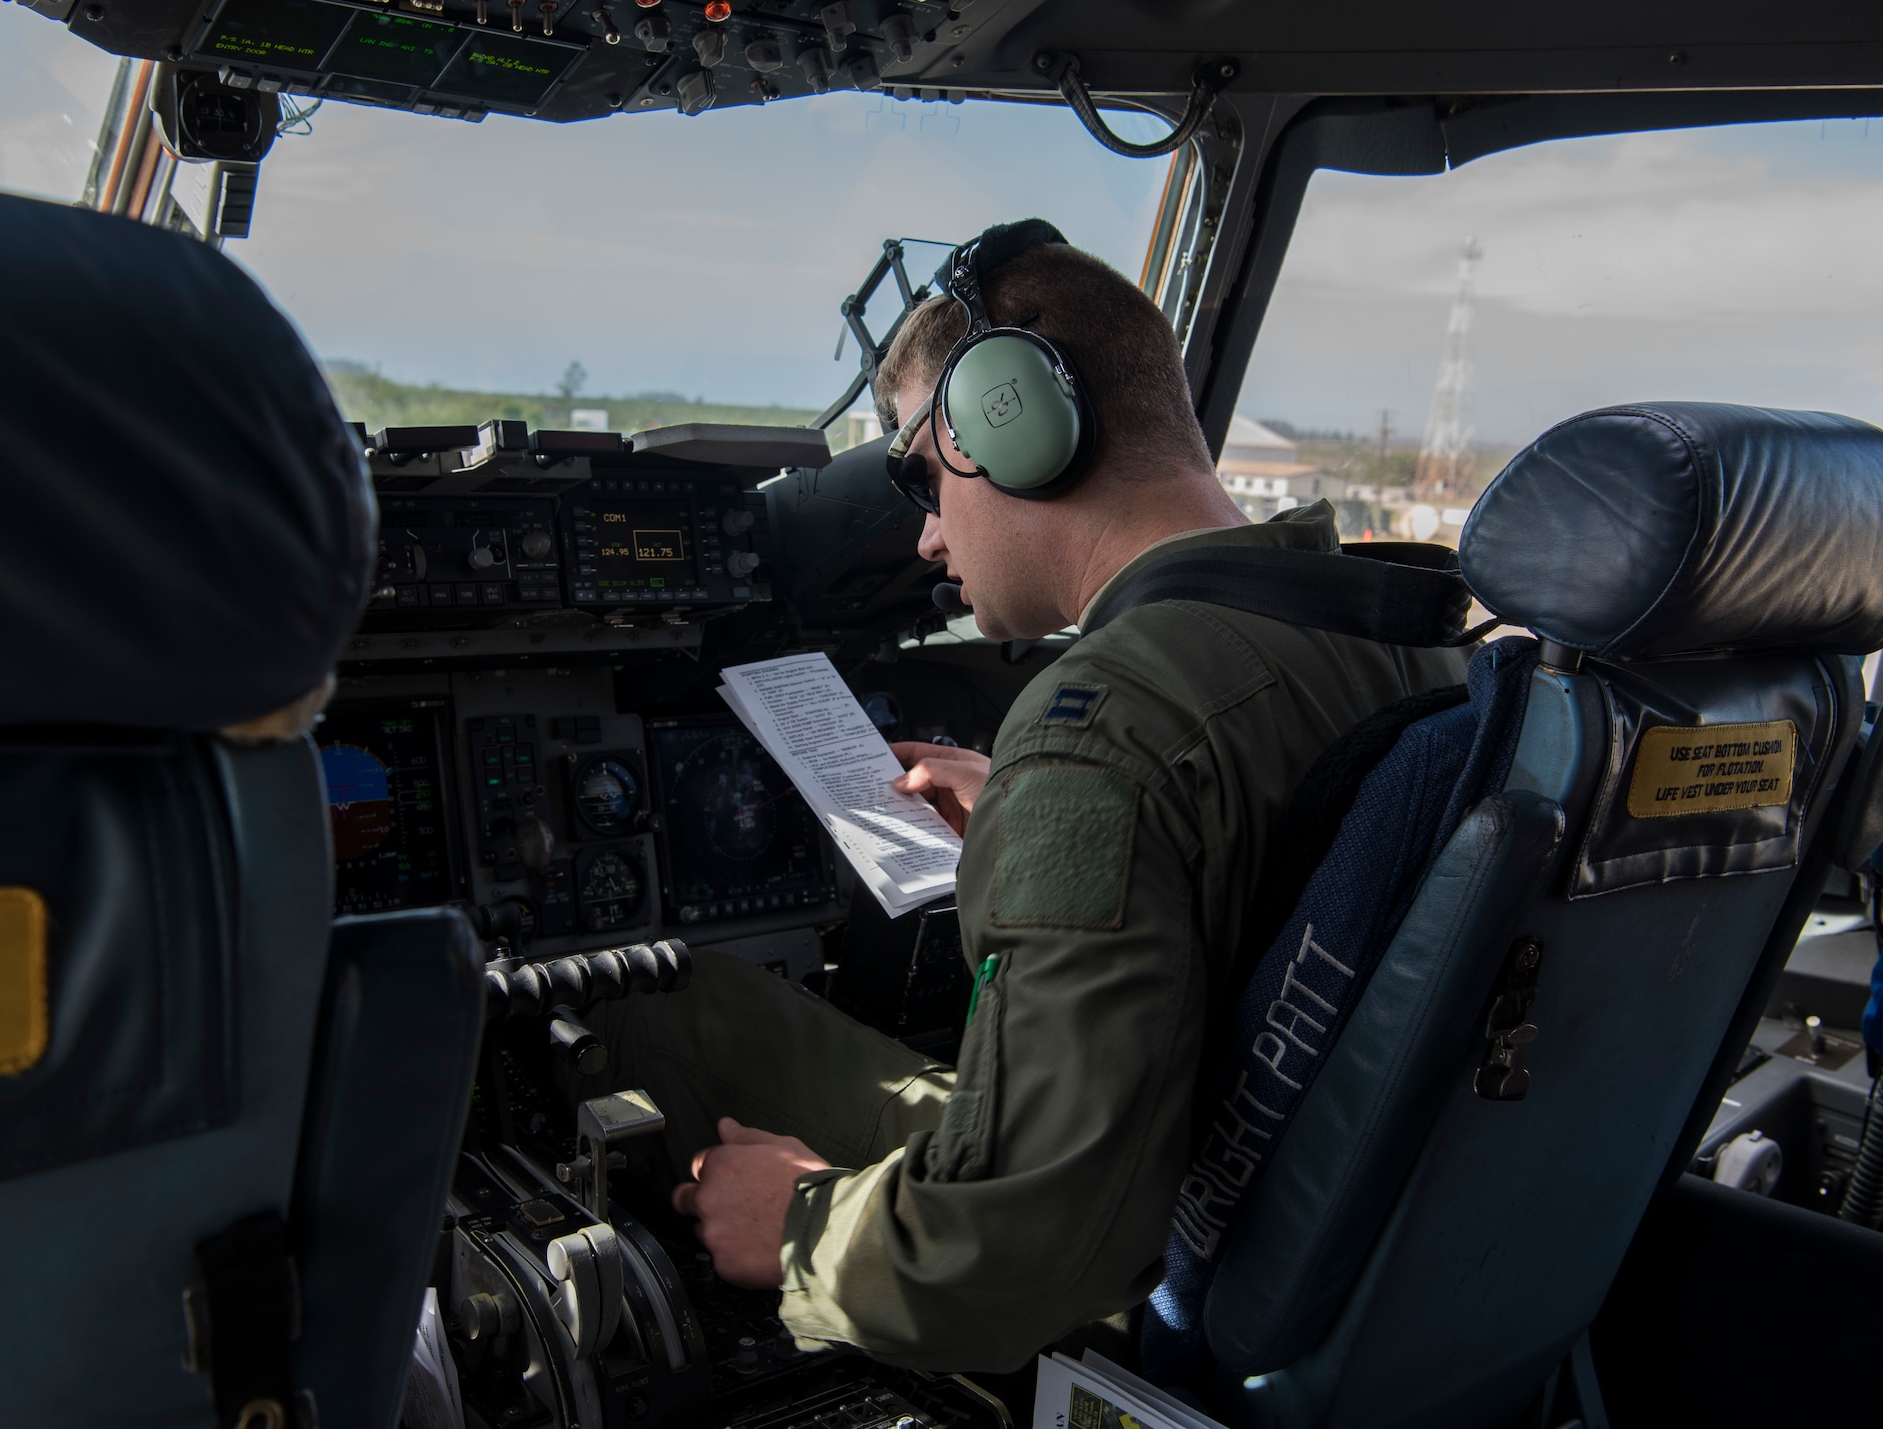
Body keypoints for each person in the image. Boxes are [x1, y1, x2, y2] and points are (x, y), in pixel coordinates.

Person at [586, 221, 1468, 1372]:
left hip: (1151, 1251)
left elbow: (1015, 1248)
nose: (923, 532)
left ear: (1015, 425)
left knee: (649, 1001)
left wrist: (798, 1228)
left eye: (917, 472)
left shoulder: (1102, 727)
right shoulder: (1399, 634)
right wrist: (1027, 820)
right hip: (1351, 1241)